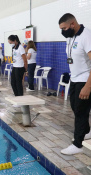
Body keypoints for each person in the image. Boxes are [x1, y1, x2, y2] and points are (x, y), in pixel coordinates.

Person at [59, 13, 91, 155]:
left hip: (85, 80)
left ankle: (77, 144)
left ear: (73, 24)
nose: (63, 31)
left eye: (64, 28)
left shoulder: (87, 36)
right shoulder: (71, 37)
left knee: (81, 112)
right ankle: (87, 131)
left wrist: (88, 86)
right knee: (75, 107)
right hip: (75, 78)